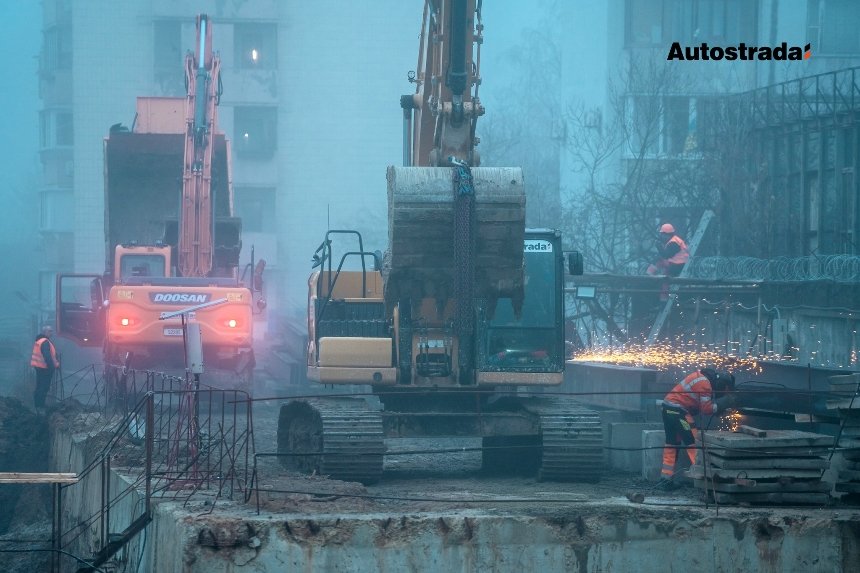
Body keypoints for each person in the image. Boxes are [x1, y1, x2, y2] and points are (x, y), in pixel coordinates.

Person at [657, 368, 736, 490]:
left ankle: (665, 480)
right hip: (678, 411)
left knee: (672, 444)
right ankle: (703, 478)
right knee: (694, 443)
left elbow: (696, 403)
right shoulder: (705, 385)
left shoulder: (701, 377)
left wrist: (718, 407)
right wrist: (722, 404)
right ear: (721, 384)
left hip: (668, 409)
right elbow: (706, 409)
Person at [30, 325, 60, 412]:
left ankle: (37, 405)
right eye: (50, 331)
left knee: (39, 386)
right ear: (45, 332)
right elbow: (47, 356)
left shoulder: (40, 341)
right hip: (45, 368)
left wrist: (55, 364)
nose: (52, 332)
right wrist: (52, 367)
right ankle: (40, 405)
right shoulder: (45, 342)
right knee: (44, 387)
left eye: (52, 331)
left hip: (39, 367)